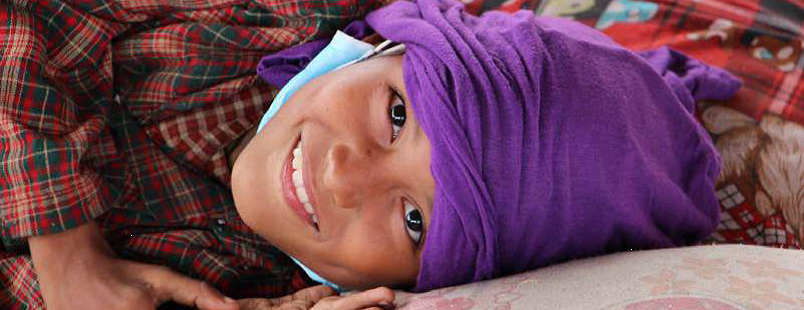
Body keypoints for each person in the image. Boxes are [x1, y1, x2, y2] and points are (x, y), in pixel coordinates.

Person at [0, 0, 741, 309]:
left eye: (415, 221)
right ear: (383, 47)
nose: (344, 178)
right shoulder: (263, 16)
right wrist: (67, 250)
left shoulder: (285, 290)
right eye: (395, 112)